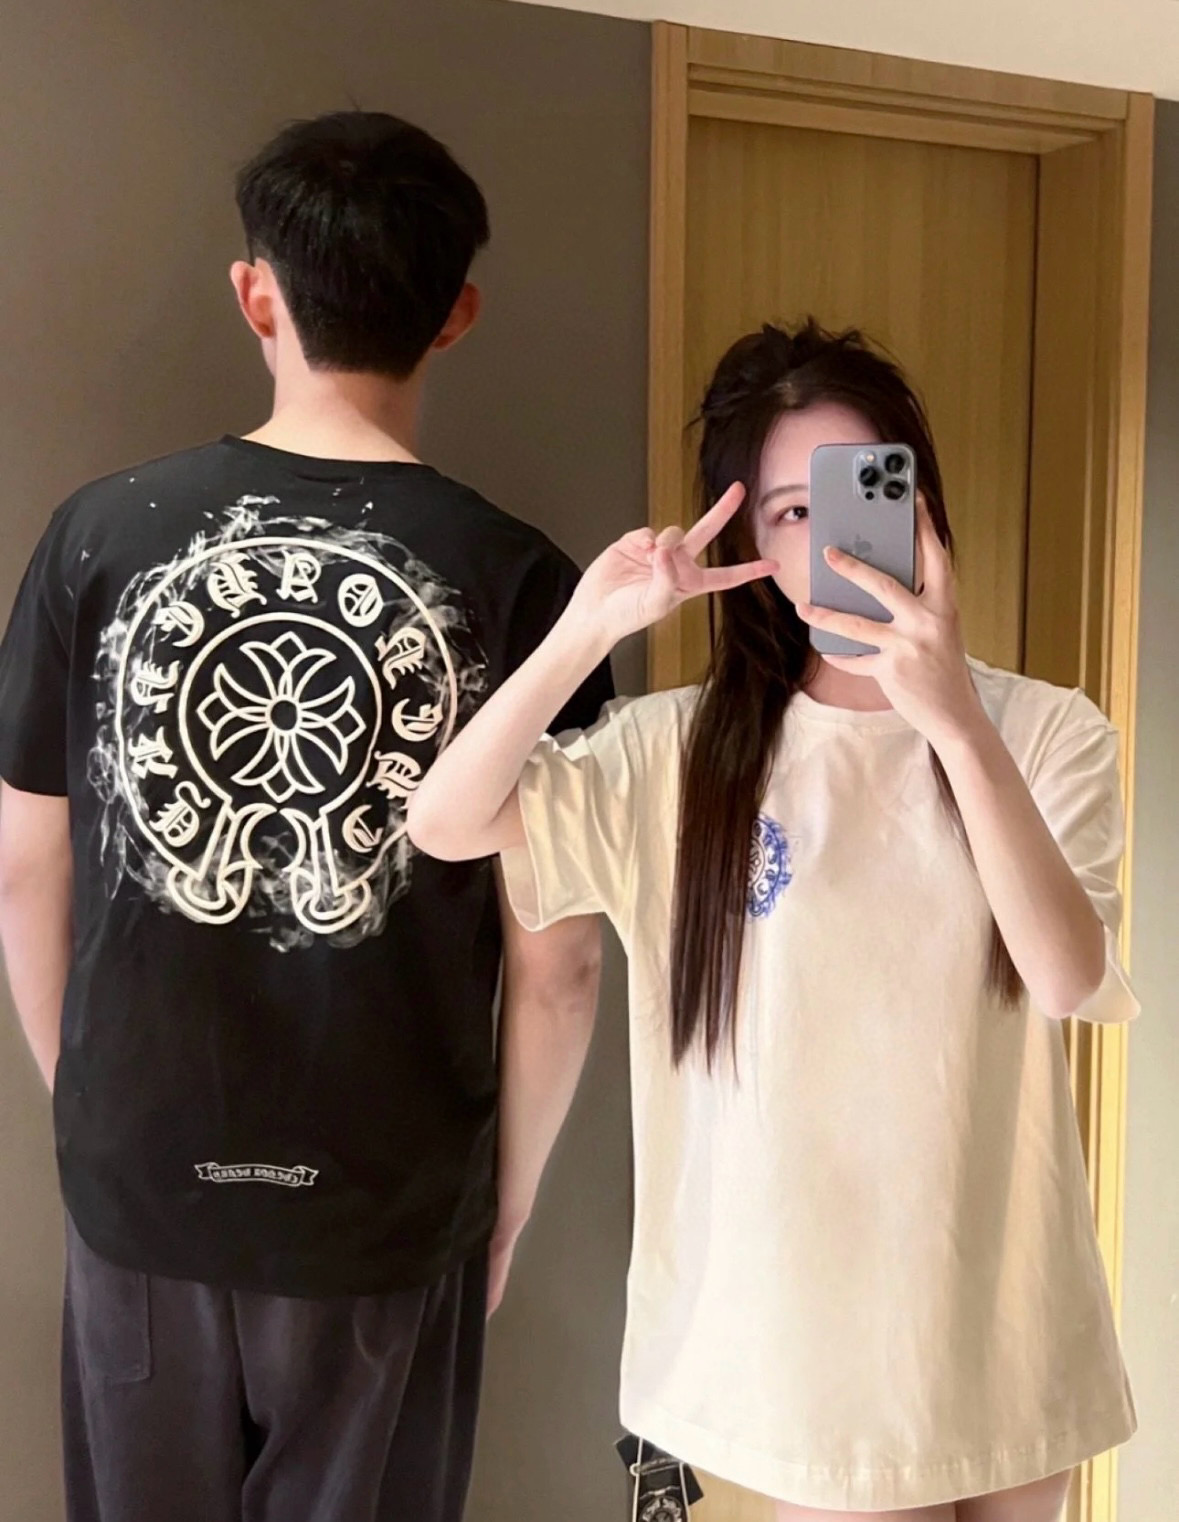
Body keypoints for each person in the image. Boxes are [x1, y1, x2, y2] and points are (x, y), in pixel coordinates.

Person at [408, 320, 1139, 1522]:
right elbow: (446, 821)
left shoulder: (1047, 731)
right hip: (809, 1360)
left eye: (862, 490)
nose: (828, 538)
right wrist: (589, 627)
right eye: (792, 511)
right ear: (751, 541)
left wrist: (955, 719)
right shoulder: (677, 752)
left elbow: (1065, 979)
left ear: (919, 506)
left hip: (1012, 1319)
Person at [0, 111, 611, 1522]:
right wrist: (504, 1202)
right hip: (390, 1204)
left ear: (253, 292)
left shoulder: (96, 535)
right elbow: (561, 962)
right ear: (456, 314)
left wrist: (89, 1105)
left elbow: (26, 867)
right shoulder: (529, 585)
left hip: (140, 1182)